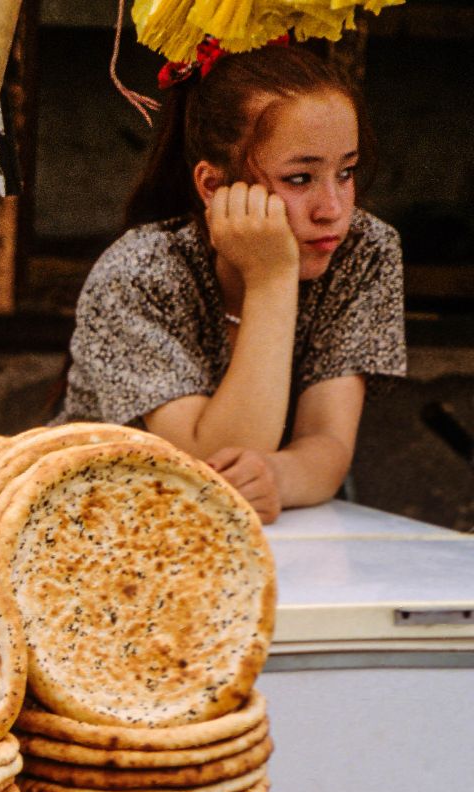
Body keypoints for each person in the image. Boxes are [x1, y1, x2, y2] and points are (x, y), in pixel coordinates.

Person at [59, 43, 405, 523]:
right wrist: (269, 281)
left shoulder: (364, 251)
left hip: (241, 540)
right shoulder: (139, 272)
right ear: (214, 187)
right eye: (300, 178)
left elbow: (327, 443)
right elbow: (206, 469)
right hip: (92, 523)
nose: (332, 209)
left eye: (345, 173)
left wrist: (277, 476)